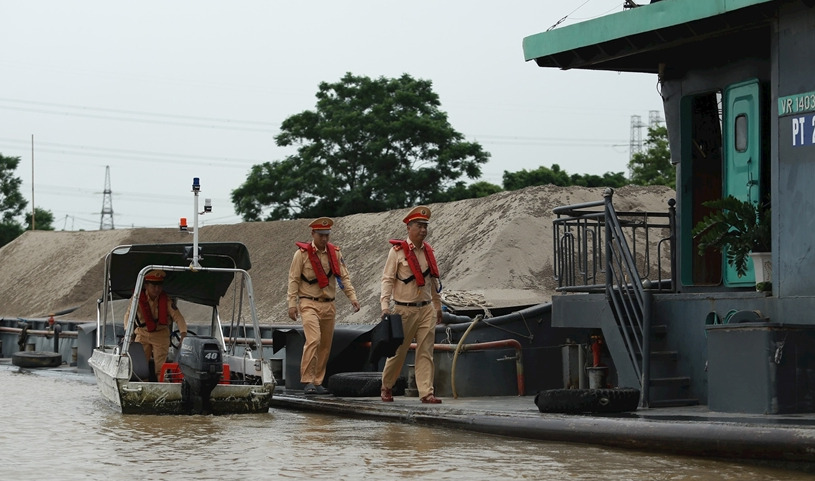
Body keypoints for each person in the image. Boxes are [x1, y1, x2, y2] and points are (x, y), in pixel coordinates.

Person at [287, 217, 361, 395]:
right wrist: (292, 304)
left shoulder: (334, 253)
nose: (324, 239)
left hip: (328, 304)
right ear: (313, 234)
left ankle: (318, 381)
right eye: (321, 235)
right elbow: (293, 279)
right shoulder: (301, 255)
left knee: (325, 345)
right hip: (308, 303)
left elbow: (343, 277)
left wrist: (352, 297)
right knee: (314, 339)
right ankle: (307, 380)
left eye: (327, 235)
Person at [380, 205, 443, 404]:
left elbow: (433, 281)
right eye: (419, 225)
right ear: (409, 228)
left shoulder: (429, 251)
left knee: (426, 351)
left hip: (426, 308)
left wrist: (437, 305)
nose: (423, 230)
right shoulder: (397, 252)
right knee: (398, 352)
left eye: (425, 226)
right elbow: (387, 279)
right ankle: (387, 386)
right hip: (403, 310)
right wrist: (384, 305)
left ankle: (426, 392)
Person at [125, 269, 187, 380]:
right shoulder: (136, 299)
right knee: (140, 367)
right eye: (153, 286)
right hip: (142, 334)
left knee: (161, 368)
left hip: (161, 335)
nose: (157, 289)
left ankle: (163, 388)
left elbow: (178, 317)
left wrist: (183, 334)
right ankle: (142, 386)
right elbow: (128, 316)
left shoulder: (166, 301)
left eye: (159, 286)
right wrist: (128, 334)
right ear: (146, 285)